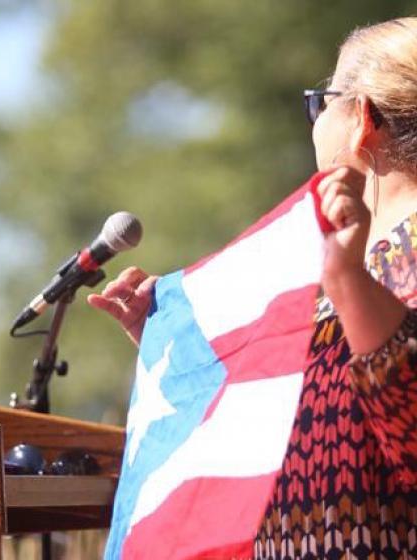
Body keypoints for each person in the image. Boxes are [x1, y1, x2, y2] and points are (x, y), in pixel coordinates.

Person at [89, 17, 417, 559]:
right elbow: (274, 422)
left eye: (321, 102)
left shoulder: (361, 266)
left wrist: (348, 278)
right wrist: (178, 348)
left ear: (362, 119)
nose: (312, 122)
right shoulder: (338, 263)